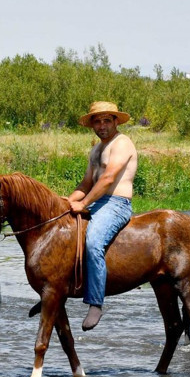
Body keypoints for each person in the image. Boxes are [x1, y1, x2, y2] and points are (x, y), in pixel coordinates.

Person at [68, 101, 138, 331]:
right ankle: (61, 288)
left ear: (116, 121)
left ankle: (96, 302)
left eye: (107, 120)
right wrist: (68, 202)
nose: (102, 125)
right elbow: (87, 182)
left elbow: (107, 179)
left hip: (117, 204)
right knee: (64, 232)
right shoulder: (96, 149)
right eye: (97, 121)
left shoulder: (122, 143)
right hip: (98, 202)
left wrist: (84, 203)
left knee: (94, 241)